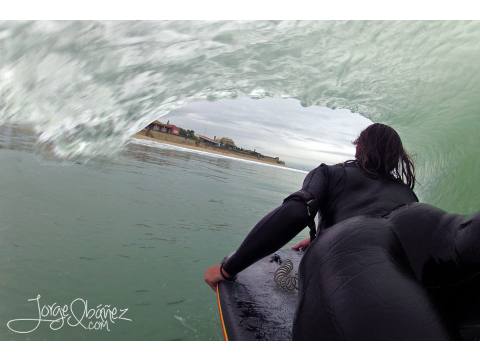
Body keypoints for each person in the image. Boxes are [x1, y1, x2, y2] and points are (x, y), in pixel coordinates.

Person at [204, 123, 479, 339]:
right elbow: (388, 231)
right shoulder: (405, 192)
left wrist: (229, 268)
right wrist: (318, 238)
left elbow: (298, 211)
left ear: (359, 148)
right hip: (424, 223)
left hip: (352, 244)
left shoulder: (331, 173)